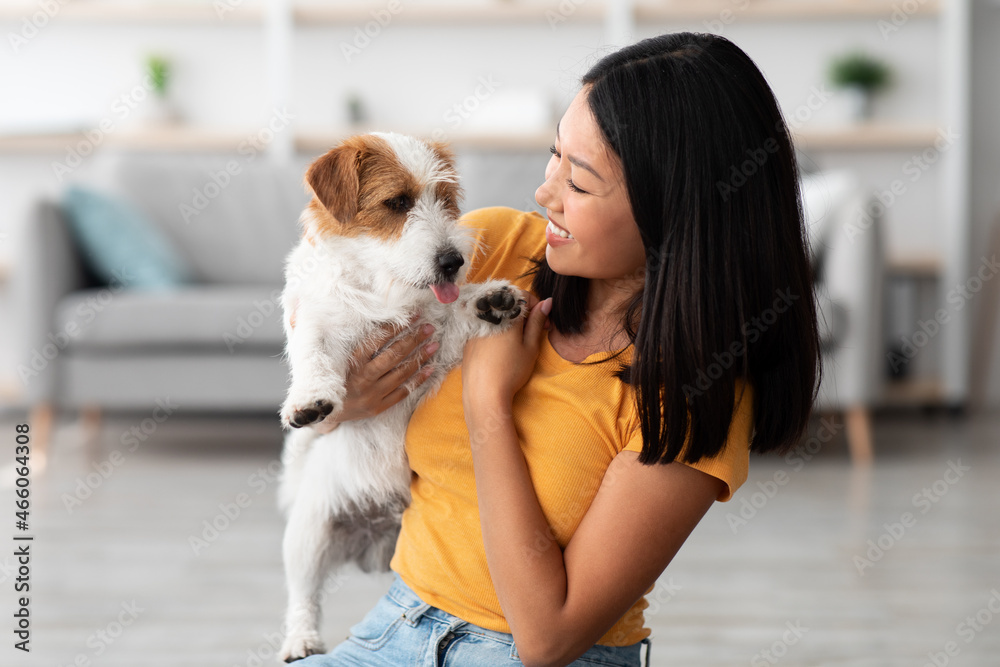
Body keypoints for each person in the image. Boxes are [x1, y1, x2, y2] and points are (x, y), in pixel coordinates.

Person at [294, 31, 821, 667]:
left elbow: (549, 639)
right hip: (392, 626)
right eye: (554, 155)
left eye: (581, 178)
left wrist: (489, 403)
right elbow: (321, 310)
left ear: (673, 210)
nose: (545, 192)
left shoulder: (692, 394)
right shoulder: (490, 251)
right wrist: (348, 397)